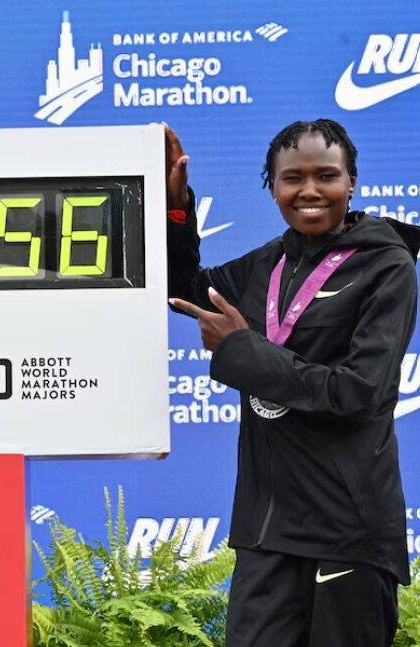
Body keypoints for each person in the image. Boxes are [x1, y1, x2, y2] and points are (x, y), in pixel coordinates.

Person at [165, 119, 420, 647]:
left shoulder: (386, 266)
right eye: (292, 178)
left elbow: (358, 392)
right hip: (268, 532)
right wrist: (175, 209)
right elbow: (183, 288)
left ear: (351, 183)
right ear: (273, 187)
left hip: (348, 532)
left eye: (325, 176)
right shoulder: (266, 265)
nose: (309, 191)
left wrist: (242, 351)